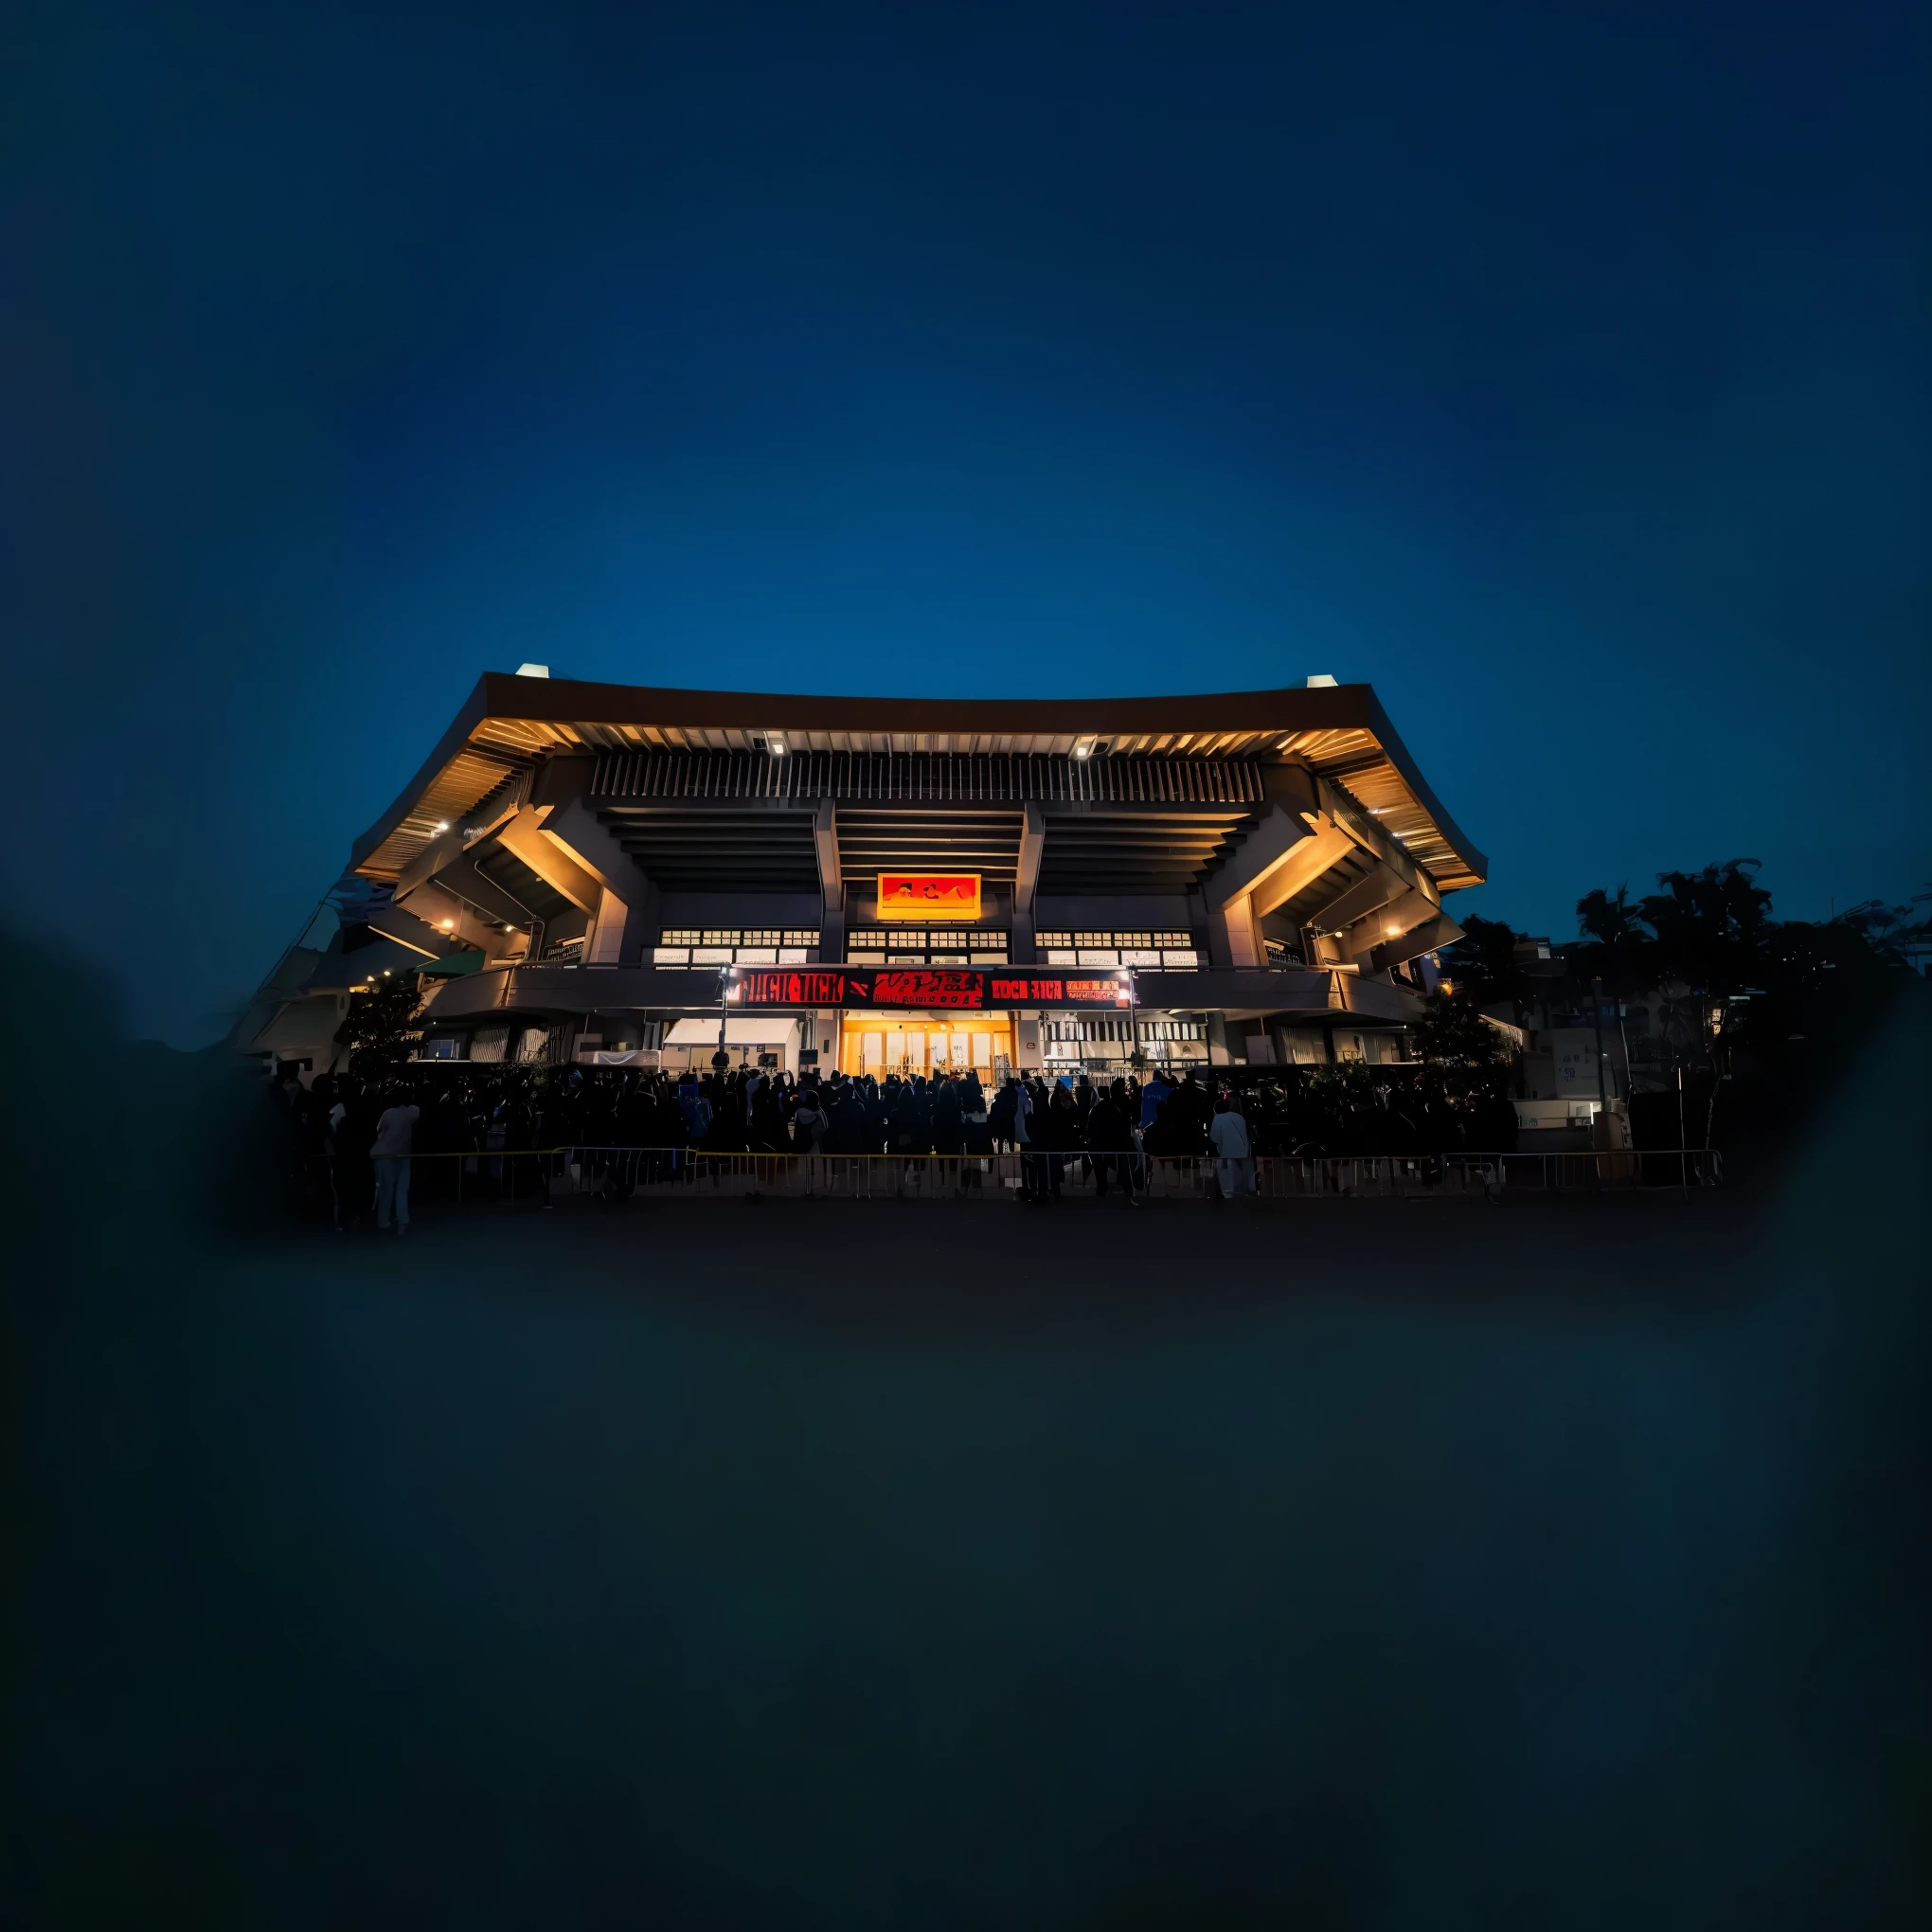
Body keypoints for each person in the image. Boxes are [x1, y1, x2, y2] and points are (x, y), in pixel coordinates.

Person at [371, 1088, 422, 1234]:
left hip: (384, 1155)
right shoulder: (415, 1111)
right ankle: (402, 1220)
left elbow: (378, 1130)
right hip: (404, 1154)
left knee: (386, 1189)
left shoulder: (388, 1113)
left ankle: (383, 1221)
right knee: (402, 1189)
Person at [1209, 1095, 1255, 1203]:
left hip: (1228, 1152)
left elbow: (1215, 1138)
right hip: (1244, 1150)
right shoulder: (1239, 1117)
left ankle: (1221, 1192)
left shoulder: (1218, 1118)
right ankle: (1247, 1190)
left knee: (1220, 1168)